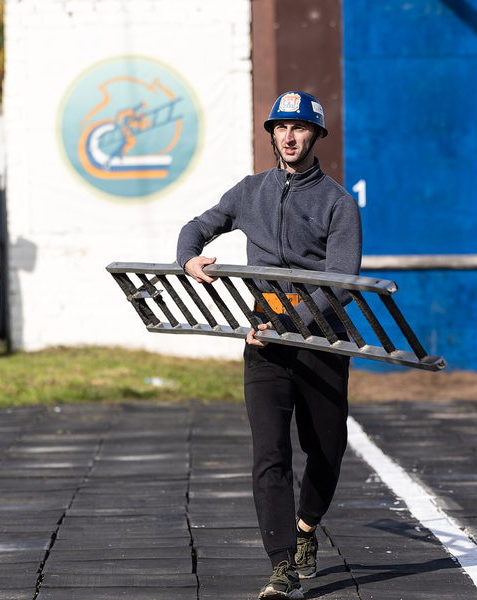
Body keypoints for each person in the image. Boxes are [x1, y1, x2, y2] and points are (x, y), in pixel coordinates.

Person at [177, 90, 362, 599]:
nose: (288, 136)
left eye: (299, 128)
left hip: (321, 341)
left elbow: (341, 283)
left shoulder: (339, 204)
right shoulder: (248, 191)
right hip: (264, 343)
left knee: (326, 451)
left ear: (316, 136)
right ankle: (281, 565)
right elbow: (198, 227)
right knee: (270, 454)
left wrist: (294, 324)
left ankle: (305, 529)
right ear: (272, 135)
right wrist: (189, 257)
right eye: (280, 127)